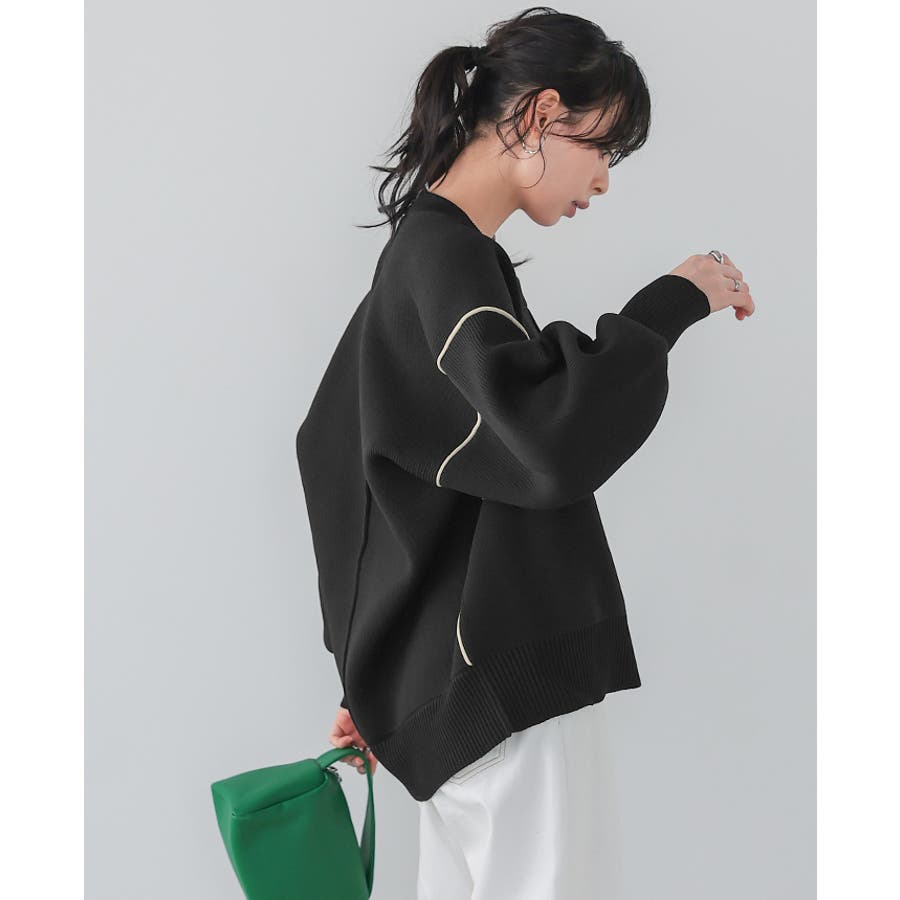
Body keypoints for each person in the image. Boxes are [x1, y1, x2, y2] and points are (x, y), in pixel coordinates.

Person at [296, 7, 755, 898]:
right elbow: (546, 439)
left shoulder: (429, 256)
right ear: (543, 113)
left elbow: (345, 462)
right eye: (603, 147)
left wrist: (379, 675)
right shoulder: (446, 259)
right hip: (505, 695)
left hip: (467, 699)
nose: (604, 180)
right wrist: (672, 301)